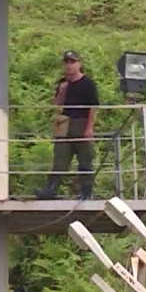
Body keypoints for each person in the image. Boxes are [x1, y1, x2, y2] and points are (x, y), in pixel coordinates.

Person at [36, 50, 100, 200]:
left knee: (85, 159)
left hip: (81, 121)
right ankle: (50, 190)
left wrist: (89, 128)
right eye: (67, 62)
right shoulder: (63, 83)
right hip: (64, 121)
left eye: (72, 62)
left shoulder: (88, 83)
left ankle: (86, 192)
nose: (69, 66)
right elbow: (57, 104)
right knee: (60, 158)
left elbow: (92, 107)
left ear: (79, 64)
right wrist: (61, 92)